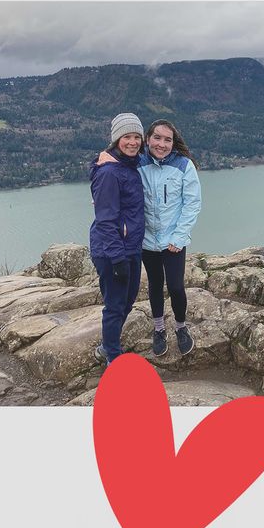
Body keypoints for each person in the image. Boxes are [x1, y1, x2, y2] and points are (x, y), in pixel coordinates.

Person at [99, 119, 202, 357]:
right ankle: (158, 329)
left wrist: (180, 236)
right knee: (155, 285)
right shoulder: (138, 162)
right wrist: (102, 160)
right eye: (157, 138)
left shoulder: (184, 165)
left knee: (176, 286)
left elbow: (192, 203)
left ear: (173, 143)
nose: (162, 144)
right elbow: (115, 167)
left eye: (168, 140)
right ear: (148, 139)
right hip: (145, 240)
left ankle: (180, 326)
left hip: (173, 241)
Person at [89, 113, 146, 366]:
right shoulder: (110, 173)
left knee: (128, 299)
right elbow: (105, 220)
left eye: (137, 137)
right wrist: (117, 257)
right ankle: (112, 356)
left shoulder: (129, 165)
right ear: (116, 139)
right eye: (127, 137)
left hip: (130, 247)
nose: (133, 142)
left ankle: (107, 346)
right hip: (112, 250)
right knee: (115, 305)